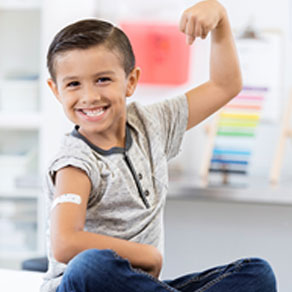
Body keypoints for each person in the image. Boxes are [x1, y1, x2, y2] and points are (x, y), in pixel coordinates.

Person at [41, 0, 277, 291]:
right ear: (56, 90)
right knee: (90, 266)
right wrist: (147, 255)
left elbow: (224, 85)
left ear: (130, 81)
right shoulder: (75, 162)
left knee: (256, 274)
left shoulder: (153, 123)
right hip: (87, 285)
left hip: (141, 286)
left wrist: (221, 18)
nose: (89, 96)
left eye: (103, 80)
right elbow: (66, 243)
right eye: (73, 84)